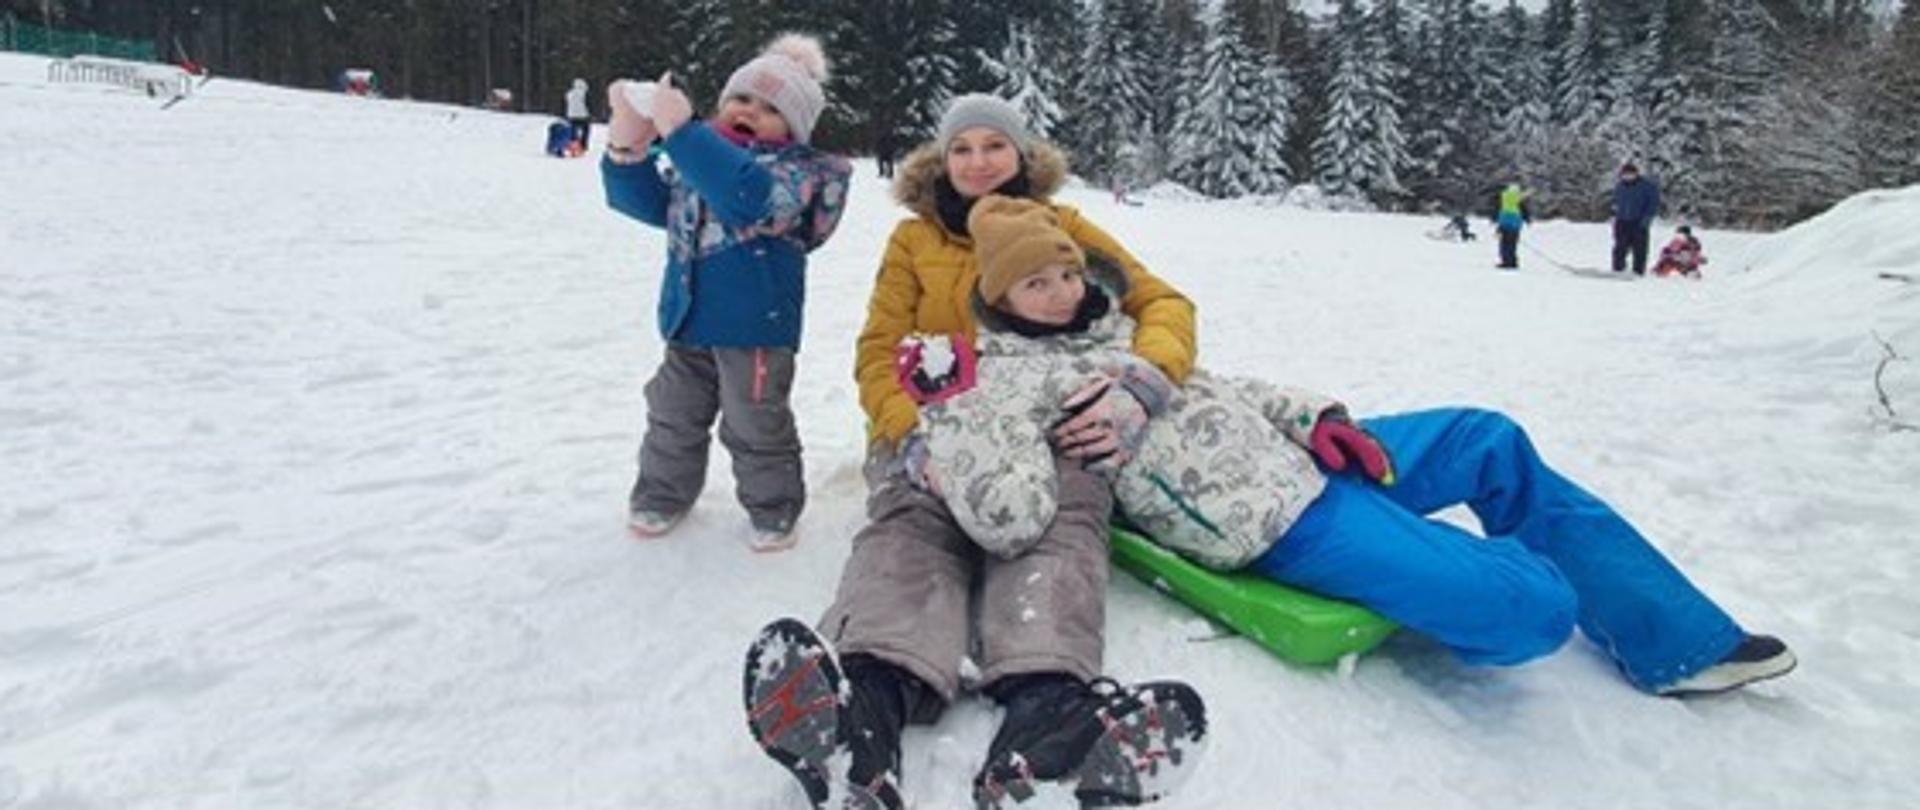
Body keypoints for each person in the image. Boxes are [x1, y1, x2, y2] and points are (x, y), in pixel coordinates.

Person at [916, 194, 1796, 702]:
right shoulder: (1005, 381)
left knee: (1484, 438)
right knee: (1537, 610)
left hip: (1310, 460)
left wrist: (1319, 416)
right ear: (999, 296)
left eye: (1068, 271)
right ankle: (1476, 568)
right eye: (1037, 280)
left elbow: (1230, 388)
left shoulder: (1119, 333)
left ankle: (1676, 642)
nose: (1063, 289)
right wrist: (950, 415)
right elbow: (1011, 513)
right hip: (1276, 522)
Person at [741, 93, 1204, 810]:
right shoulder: (914, 242)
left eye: (995, 145)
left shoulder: (1065, 227)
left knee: (1058, 533)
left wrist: (1138, 386)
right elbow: (876, 349)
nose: (979, 161)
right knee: (912, 531)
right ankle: (860, 722)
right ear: (941, 160)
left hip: (1049, 428)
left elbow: (1165, 305)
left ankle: (1048, 725)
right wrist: (908, 433)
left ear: (1022, 156)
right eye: (963, 148)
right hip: (936, 427)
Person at [600, 33, 852, 551]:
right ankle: (662, 493)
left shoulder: (795, 175)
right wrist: (626, 150)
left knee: (755, 423)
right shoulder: (700, 164)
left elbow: (747, 198)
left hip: (754, 330)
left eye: (769, 108)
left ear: (795, 126)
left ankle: (774, 507)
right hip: (688, 321)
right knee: (672, 414)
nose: (750, 112)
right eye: (741, 99)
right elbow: (648, 204)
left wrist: (684, 133)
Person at [1611, 161, 1661, 275]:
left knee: (1640, 249)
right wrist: (1616, 215)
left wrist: (1646, 219)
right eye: (1625, 174)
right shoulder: (1620, 186)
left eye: (1630, 174)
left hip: (1639, 222)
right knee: (1620, 247)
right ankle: (1618, 270)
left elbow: (1653, 204)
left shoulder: (1647, 186)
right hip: (1622, 221)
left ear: (1636, 174)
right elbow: (1616, 201)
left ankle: (1638, 272)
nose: (1628, 177)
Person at [1494, 182, 1529, 269]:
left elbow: (1497, 208)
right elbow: (1524, 210)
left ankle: (1506, 261)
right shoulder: (1518, 199)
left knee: (1504, 244)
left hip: (1505, 224)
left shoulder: (1504, 197)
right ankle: (1512, 261)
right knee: (1512, 244)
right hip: (1515, 225)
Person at [564, 77, 592, 150]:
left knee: (573, 131)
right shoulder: (584, 93)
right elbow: (588, 104)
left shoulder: (569, 93)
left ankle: (573, 145)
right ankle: (583, 145)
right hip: (583, 116)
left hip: (571, 115)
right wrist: (590, 113)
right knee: (585, 131)